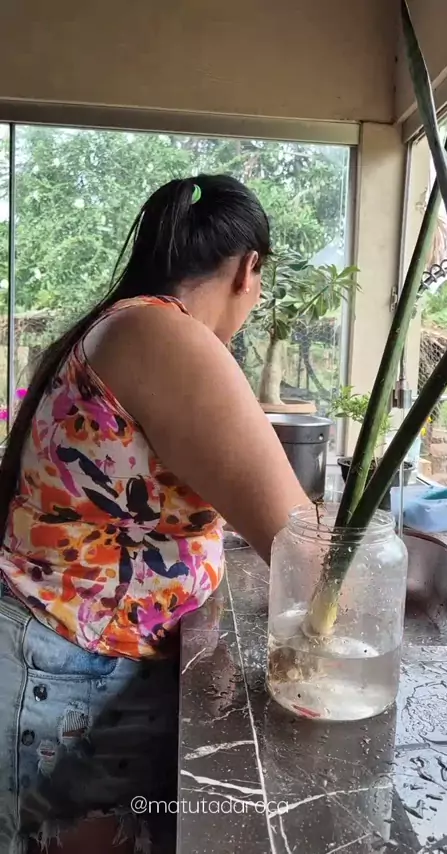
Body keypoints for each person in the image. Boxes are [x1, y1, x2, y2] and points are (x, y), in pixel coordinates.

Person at [0, 174, 309, 853]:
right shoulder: (165, 335)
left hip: (70, 661)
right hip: (74, 675)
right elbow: (302, 542)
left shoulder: (127, 324)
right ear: (249, 269)